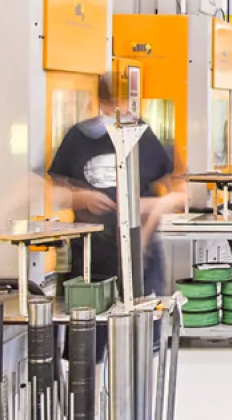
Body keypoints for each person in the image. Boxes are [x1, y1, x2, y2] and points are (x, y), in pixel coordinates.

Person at [47, 75, 185, 295]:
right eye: (111, 103)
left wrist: (148, 206)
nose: (118, 110)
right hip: (88, 259)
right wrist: (81, 198)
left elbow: (180, 195)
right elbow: (52, 192)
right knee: (86, 314)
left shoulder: (144, 136)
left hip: (140, 256)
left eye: (123, 102)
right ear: (99, 102)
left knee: (142, 314)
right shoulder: (78, 138)